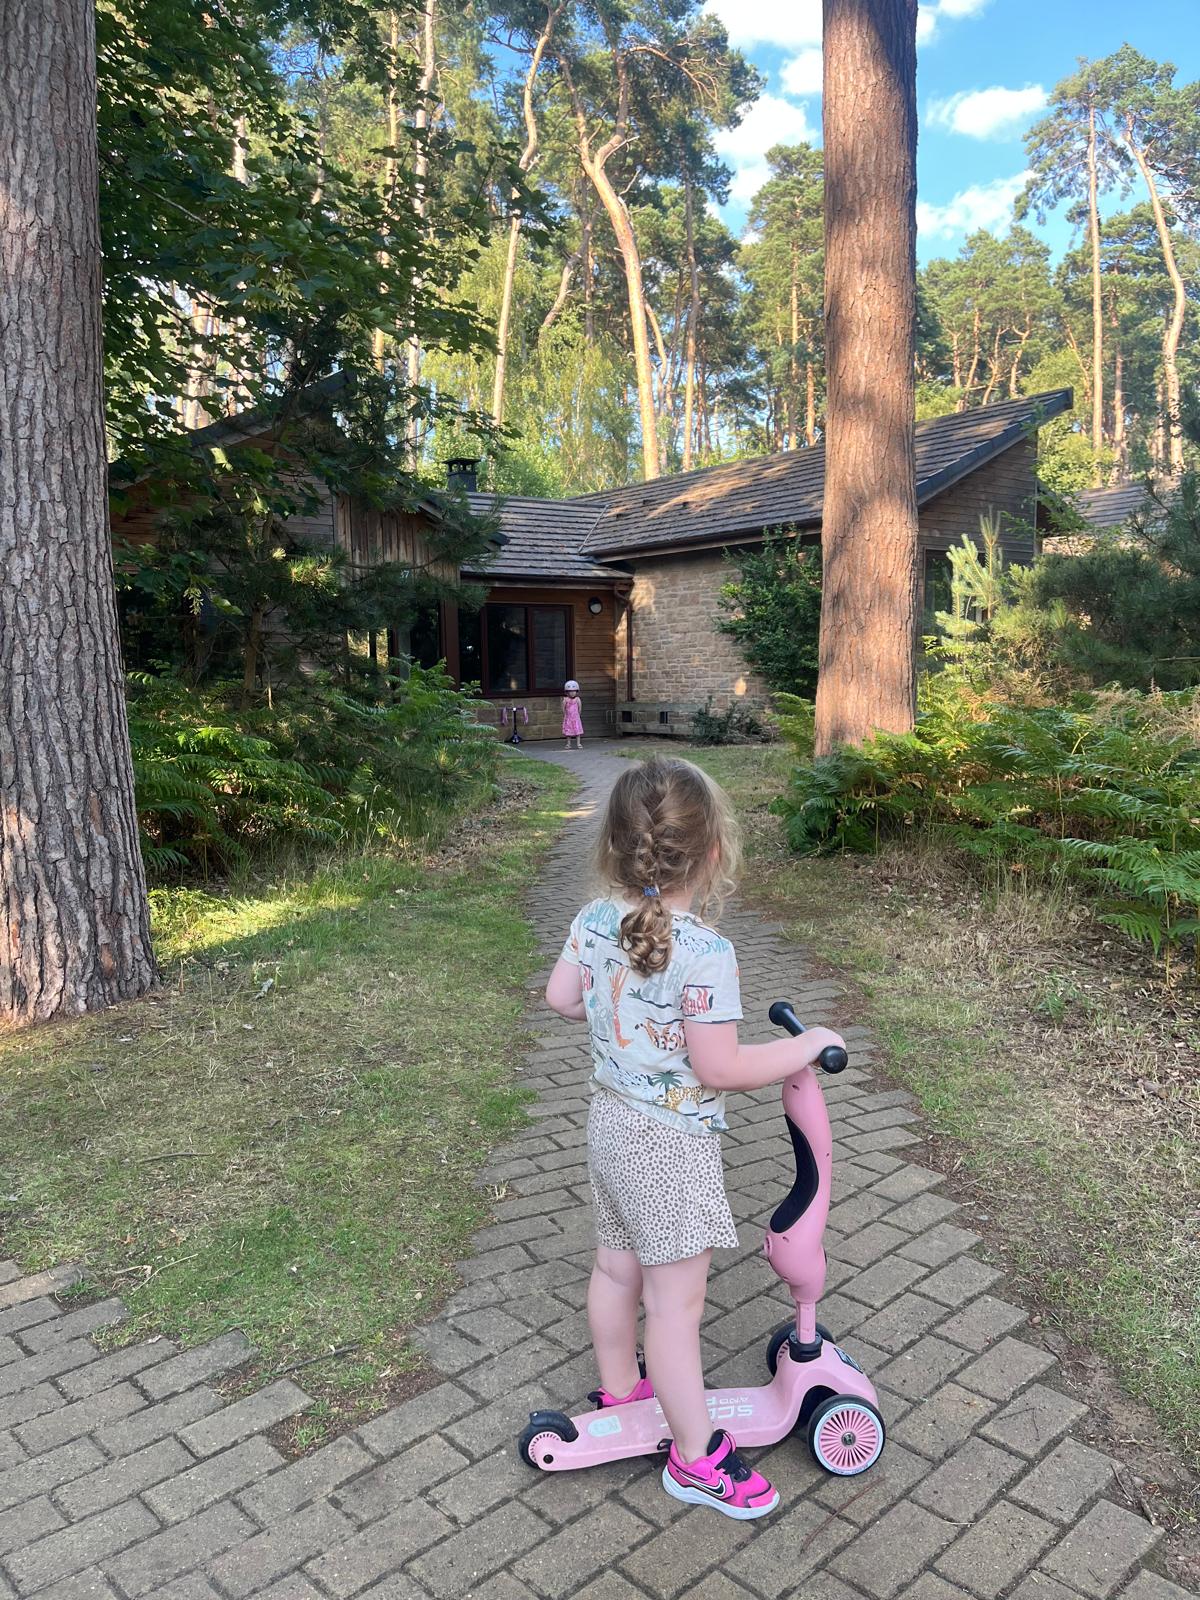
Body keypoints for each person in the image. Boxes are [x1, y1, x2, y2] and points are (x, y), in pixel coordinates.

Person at [545, 755, 847, 1518]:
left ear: (615, 846)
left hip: (609, 1127)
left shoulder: (591, 919)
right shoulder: (707, 952)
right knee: (675, 1310)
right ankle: (695, 1455)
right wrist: (804, 1045)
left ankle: (622, 1393)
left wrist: (622, 1019)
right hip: (669, 1149)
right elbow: (720, 1066)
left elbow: (560, 1000)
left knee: (617, 1272)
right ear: (713, 851)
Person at [561, 679, 584, 750]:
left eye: (574, 691)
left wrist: (578, 715)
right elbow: (563, 708)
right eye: (570, 691)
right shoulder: (565, 699)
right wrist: (565, 715)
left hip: (576, 718)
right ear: (567, 692)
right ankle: (568, 744)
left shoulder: (577, 699)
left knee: (577, 731)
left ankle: (578, 743)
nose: (572, 693)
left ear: (576, 691)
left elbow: (580, 708)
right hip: (568, 718)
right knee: (568, 732)